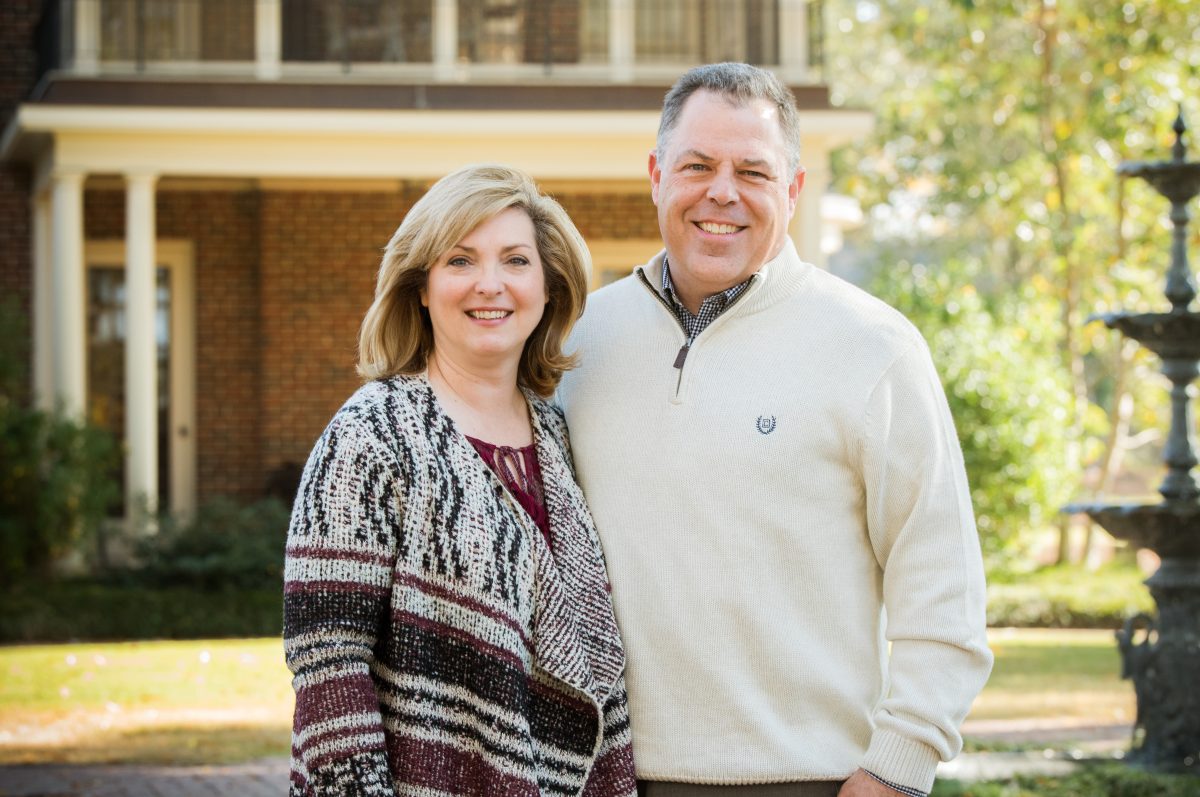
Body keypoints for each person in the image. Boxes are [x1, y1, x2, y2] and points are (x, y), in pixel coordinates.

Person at [556, 63, 993, 797]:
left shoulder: (873, 348)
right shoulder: (577, 342)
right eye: (697, 165)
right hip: (607, 778)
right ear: (657, 174)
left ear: (790, 190)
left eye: (752, 171)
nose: (721, 191)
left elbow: (943, 586)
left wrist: (897, 769)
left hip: (812, 779)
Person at [283, 164, 637, 797]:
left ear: (550, 286)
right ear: (421, 287)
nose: (490, 285)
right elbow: (330, 669)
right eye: (461, 261)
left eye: (515, 261)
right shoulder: (371, 435)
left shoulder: (558, 435)